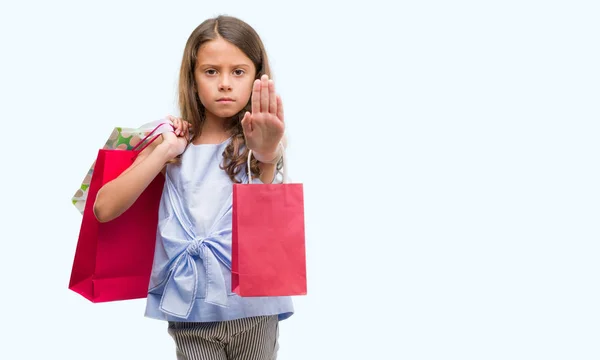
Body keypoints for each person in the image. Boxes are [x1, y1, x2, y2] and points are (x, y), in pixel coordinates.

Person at [93, 15, 293, 360]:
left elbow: (268, 207)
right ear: (193, 77)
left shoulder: (261, 144)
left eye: (238, 72)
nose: (225, 83)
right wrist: (166, 150)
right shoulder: (172, 143)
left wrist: (266, 151)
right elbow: (103, 208)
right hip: (189, 309)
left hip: (254, 309)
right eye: (211, 71)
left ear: (257, 77)